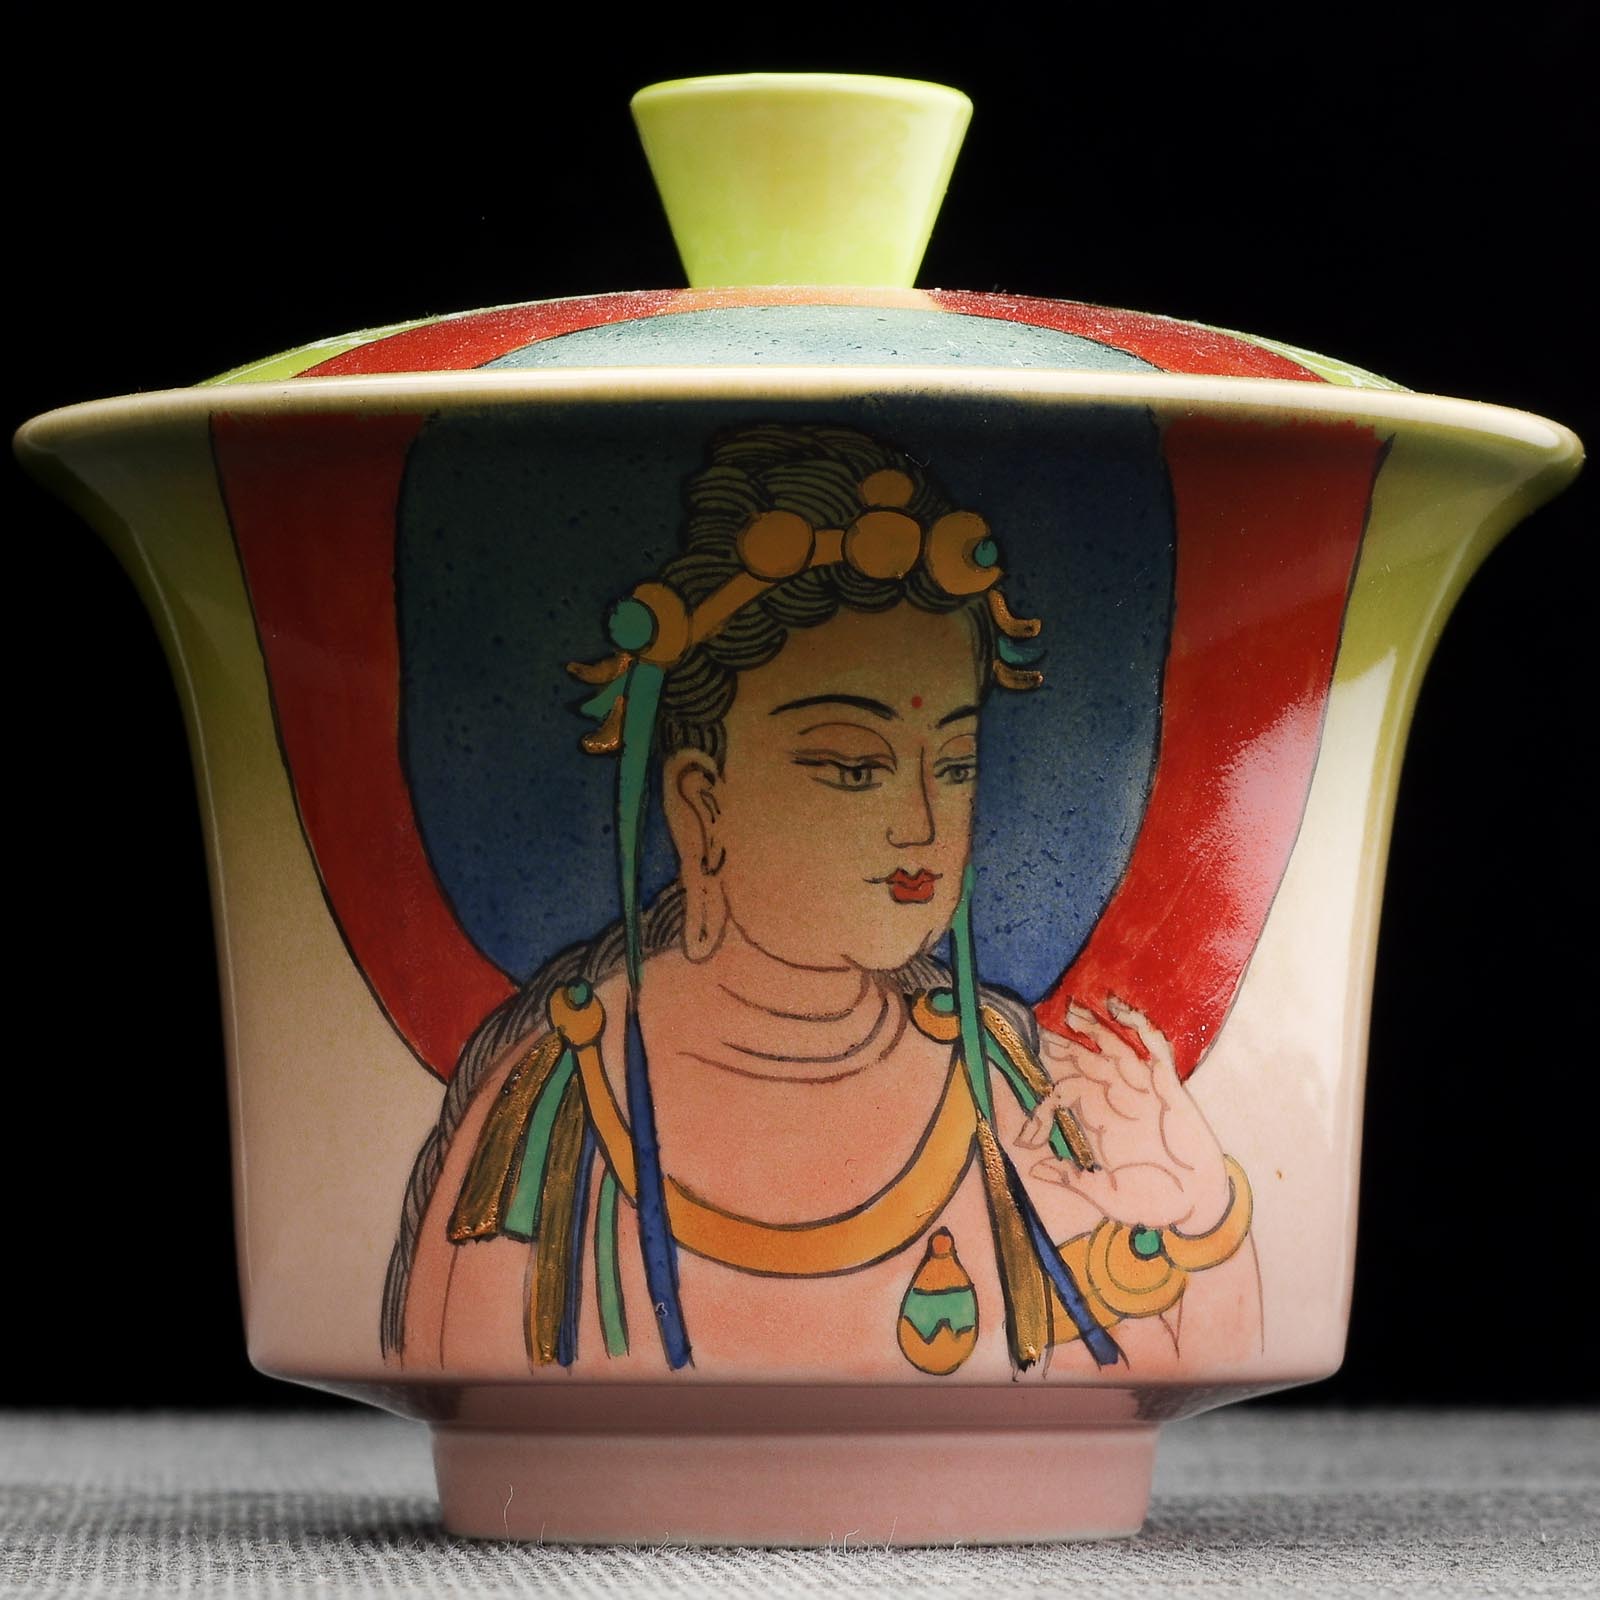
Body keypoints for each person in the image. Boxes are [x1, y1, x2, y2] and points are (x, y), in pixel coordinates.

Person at [382, 422, 1261, 1379]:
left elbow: (1151, 1368)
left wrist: (1197, 1212)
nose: (921, 825)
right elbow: (447, 1353)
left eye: (955, 765)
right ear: (701, 805)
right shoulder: (561, 1104)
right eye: (852, 768)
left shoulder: (1005, 1092)